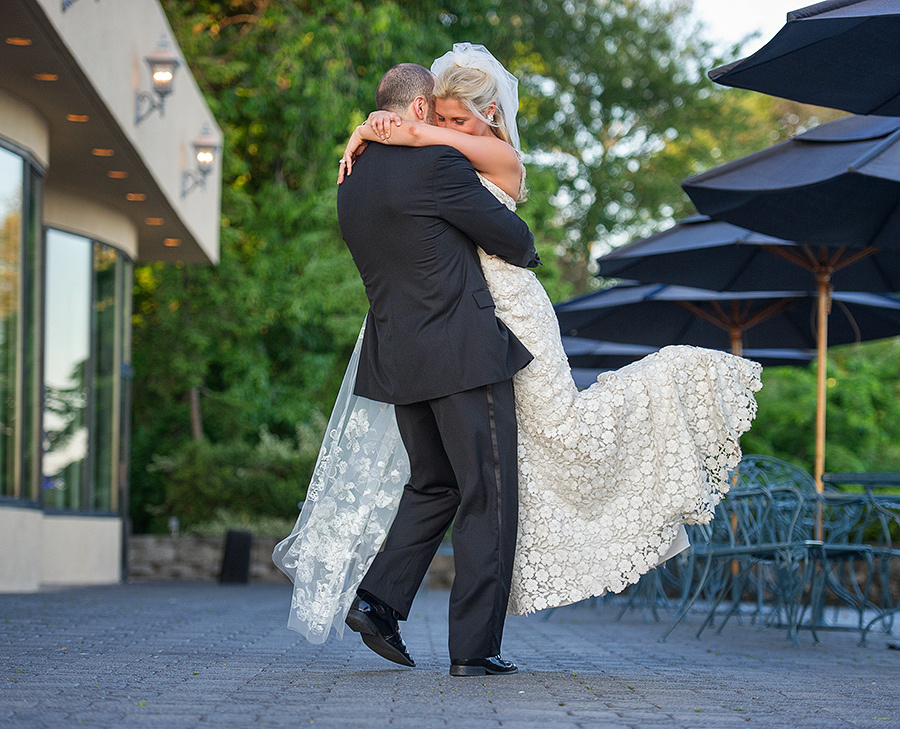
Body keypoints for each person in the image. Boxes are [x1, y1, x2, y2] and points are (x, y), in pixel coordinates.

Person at [274, 44, 762, 668]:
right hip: (463, 348)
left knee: (436, 482)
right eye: (437, 119)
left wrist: (371, 127)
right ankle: (471, 652)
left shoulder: (355, 176)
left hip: (397, 355)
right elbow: (515, 240)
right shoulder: (438, 166)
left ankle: (376, 601)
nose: (443, 132)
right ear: (420, 109)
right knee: (489, 492)